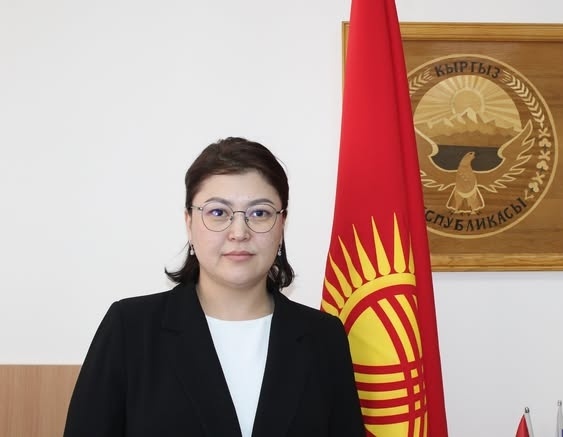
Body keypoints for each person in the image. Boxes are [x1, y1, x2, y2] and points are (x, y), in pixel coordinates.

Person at [64, 137, 366, 437]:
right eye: (218, 212)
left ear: (282, 224)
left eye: (259, 213)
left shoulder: (323, 337)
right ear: (189, 223)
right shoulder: (130, 329)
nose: (239, 232)